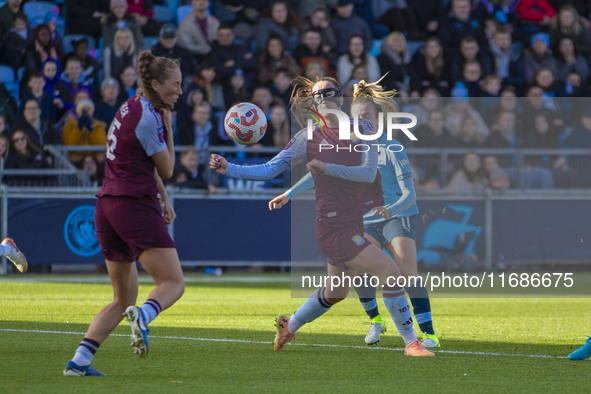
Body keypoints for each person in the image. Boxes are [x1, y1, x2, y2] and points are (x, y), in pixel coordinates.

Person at [209, 76, 433, 356]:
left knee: (335, 292)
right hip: (333, 225)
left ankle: (289, 324)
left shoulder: (363, 128)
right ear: (312, 102)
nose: (323, 97)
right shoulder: (307, 137)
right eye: (317, 95)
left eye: (329, 92)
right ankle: (412, 342)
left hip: (353, 222)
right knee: (390, 271)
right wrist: (229, 168)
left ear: (340, 98)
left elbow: (367, 173)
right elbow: (269, 169)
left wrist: (327, 167)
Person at [268, 78, 440, 349]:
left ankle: (426, 335)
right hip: (362, 218)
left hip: (395, 215)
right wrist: (290, 193)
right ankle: (375, 321)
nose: (361, 120)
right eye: (357, 116)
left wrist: (390, 210)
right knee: (347, 282)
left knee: (404, 272)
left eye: (367, 116)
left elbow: (408, 193)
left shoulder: (392, 147)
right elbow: (322, 172)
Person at [63, 50, 184, 377]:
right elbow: (169, 168)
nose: (180, 91)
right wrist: (171, 129)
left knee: (122, 298)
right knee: (173, 282)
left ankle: (79, 361)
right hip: (132, 205)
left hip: (107, 207)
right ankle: (144, 316)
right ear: (156, 84)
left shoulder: (130, 106)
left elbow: (141, 160)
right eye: (175, 84)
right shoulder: (151, 117)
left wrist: (164, 197)